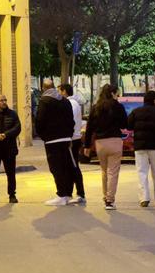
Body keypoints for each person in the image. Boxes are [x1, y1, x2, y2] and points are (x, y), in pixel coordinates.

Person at [83, 84, 127, 210]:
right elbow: (125, 124)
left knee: (104, 170)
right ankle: (110, 200)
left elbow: (89, 127)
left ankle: (105, 196)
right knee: (113, 171)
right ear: (113, 93)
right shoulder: (118, 106)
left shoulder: (96, 107)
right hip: (115, 141)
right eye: (116, 93)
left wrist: (87, 145)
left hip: (100, 143)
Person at [36, 78, 76, 206]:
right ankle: (68, 193)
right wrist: (69, 135)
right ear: (53, 86)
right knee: (65, 166)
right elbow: (71, 120)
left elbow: (40, 120)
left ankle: (61, 195)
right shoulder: (65, 101)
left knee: (56, 168)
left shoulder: (44, 100)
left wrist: (43, 135)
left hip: (52, 140)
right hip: (65, 139)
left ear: (43, 88)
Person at [127, 90, 155, 207]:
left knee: (142, 171)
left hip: (140, 146)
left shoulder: (135, 112)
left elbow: (129, 125)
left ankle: (144, 198)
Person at [58, 84, 86, 205]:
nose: (58, 93)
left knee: (74, 166)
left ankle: (80, 193)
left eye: (59, 91)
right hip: (72, 138)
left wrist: (68, 138)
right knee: (69, 166)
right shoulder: (73, 103)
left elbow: (71, 122)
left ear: (64, 91)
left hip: (72, 139)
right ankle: (69, 193)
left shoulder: (71, 104)